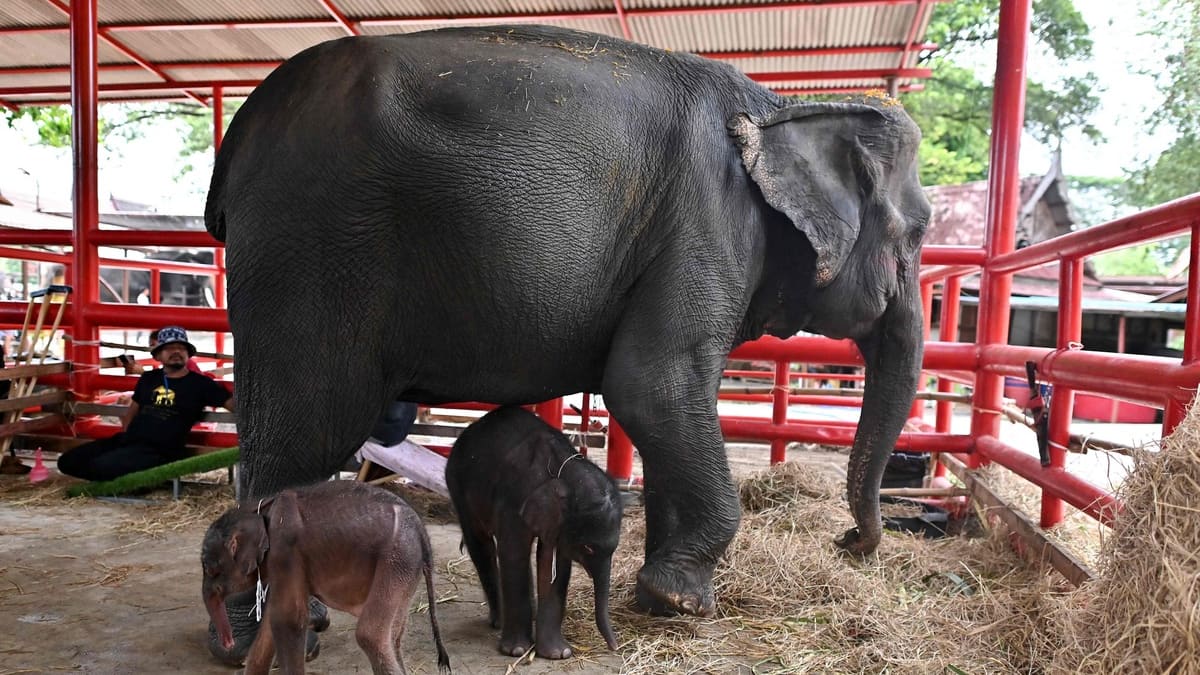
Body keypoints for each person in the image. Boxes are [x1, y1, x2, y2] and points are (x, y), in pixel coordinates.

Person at [58, 326, 234, 482]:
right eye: (169, 348)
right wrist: (128, 436)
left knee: (101, 466)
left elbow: (232, 404)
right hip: (130, 441)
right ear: (158, 355)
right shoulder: (149, 378)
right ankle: (132, 477)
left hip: (161, 449)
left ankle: (141, 479)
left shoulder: (201, 384)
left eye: (181, 348)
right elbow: (132, 412)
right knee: (66, 461)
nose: (176, 352)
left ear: (188, 354)